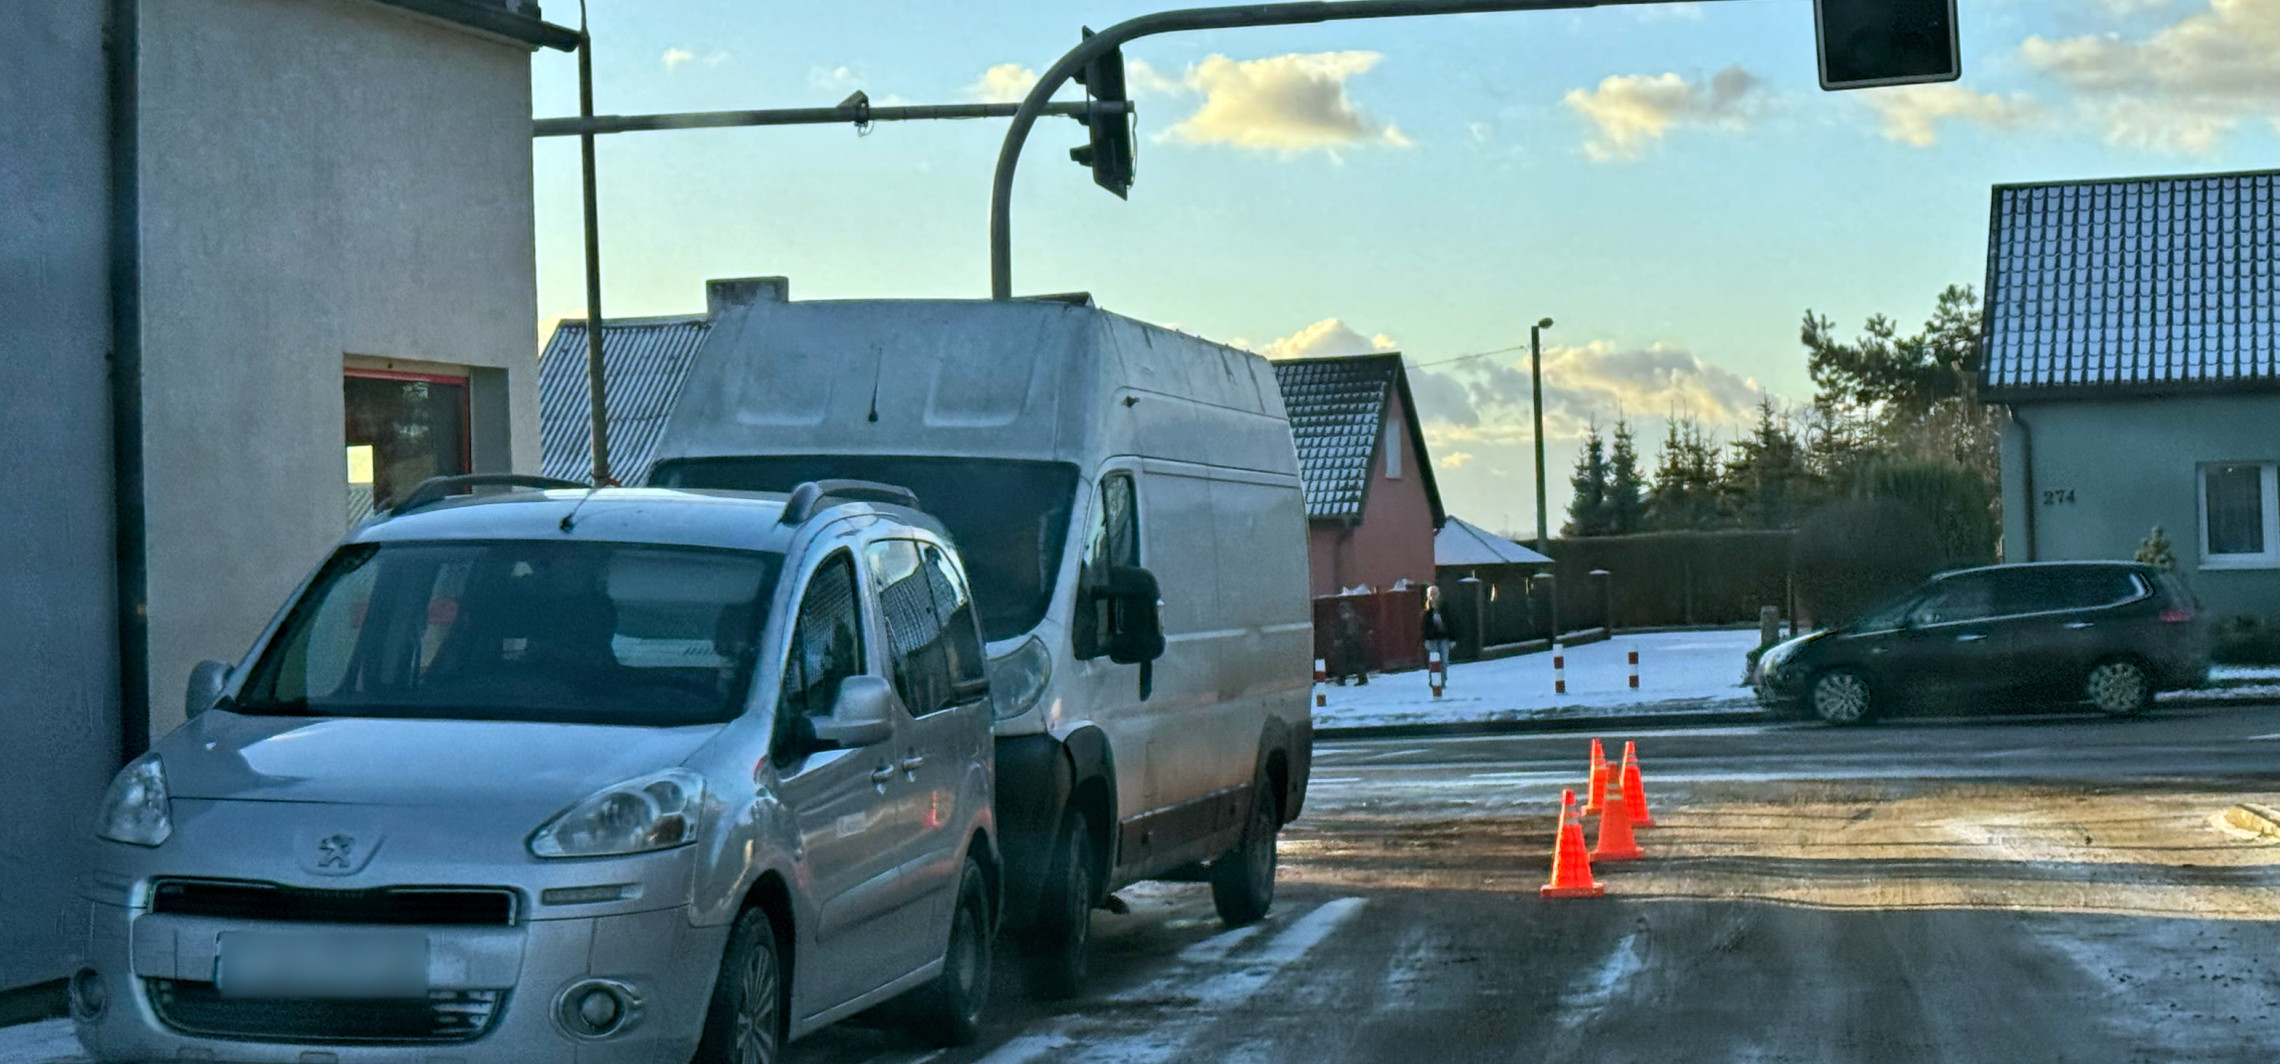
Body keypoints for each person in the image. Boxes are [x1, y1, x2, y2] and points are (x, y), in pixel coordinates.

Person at [1333, 601, 1371, 685]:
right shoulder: (1354, 619)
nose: (1343, 615)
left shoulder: (1354, 620)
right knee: (1348, 662)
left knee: (1353, 662)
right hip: (1350, 643)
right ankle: (1343, 679)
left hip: (1353, 643)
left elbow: (1359, 630)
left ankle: (1358, 679)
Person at [1421, 585, 1452, 679]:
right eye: (1431, 595)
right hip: (1432, 639)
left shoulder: (1445, 608)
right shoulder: (1427, 611)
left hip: (1444, 638)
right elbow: (1424, 627)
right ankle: (1434, 680)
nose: (1433, 597)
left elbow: (1452, 623)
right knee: (1434, 661)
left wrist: (1453, 639)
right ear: (1428, 596)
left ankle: (1442, 680)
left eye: (1435, 594)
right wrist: (1426, 640)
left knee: (1444, 660)